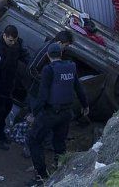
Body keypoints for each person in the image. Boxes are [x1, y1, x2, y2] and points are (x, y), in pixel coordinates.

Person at [27, 43, 88, 185]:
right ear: (61, 54)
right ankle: (60, 168)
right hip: (66, 113)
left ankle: (41, 175)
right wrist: (85, 105)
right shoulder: (71, 67)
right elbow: (78, 87)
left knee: (34, 140)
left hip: (50, 113)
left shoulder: (48, 70)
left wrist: (34, 113)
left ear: (48, 55)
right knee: (59, 141)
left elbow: (43, 95)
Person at [0, 25, 30, 150]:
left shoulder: (16, 43)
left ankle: (1, 133)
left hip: (8, 84)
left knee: (6, 108)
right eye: (10, 40)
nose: (13, 43)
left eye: (15, 40)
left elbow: (23, 54)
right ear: (4, 36)